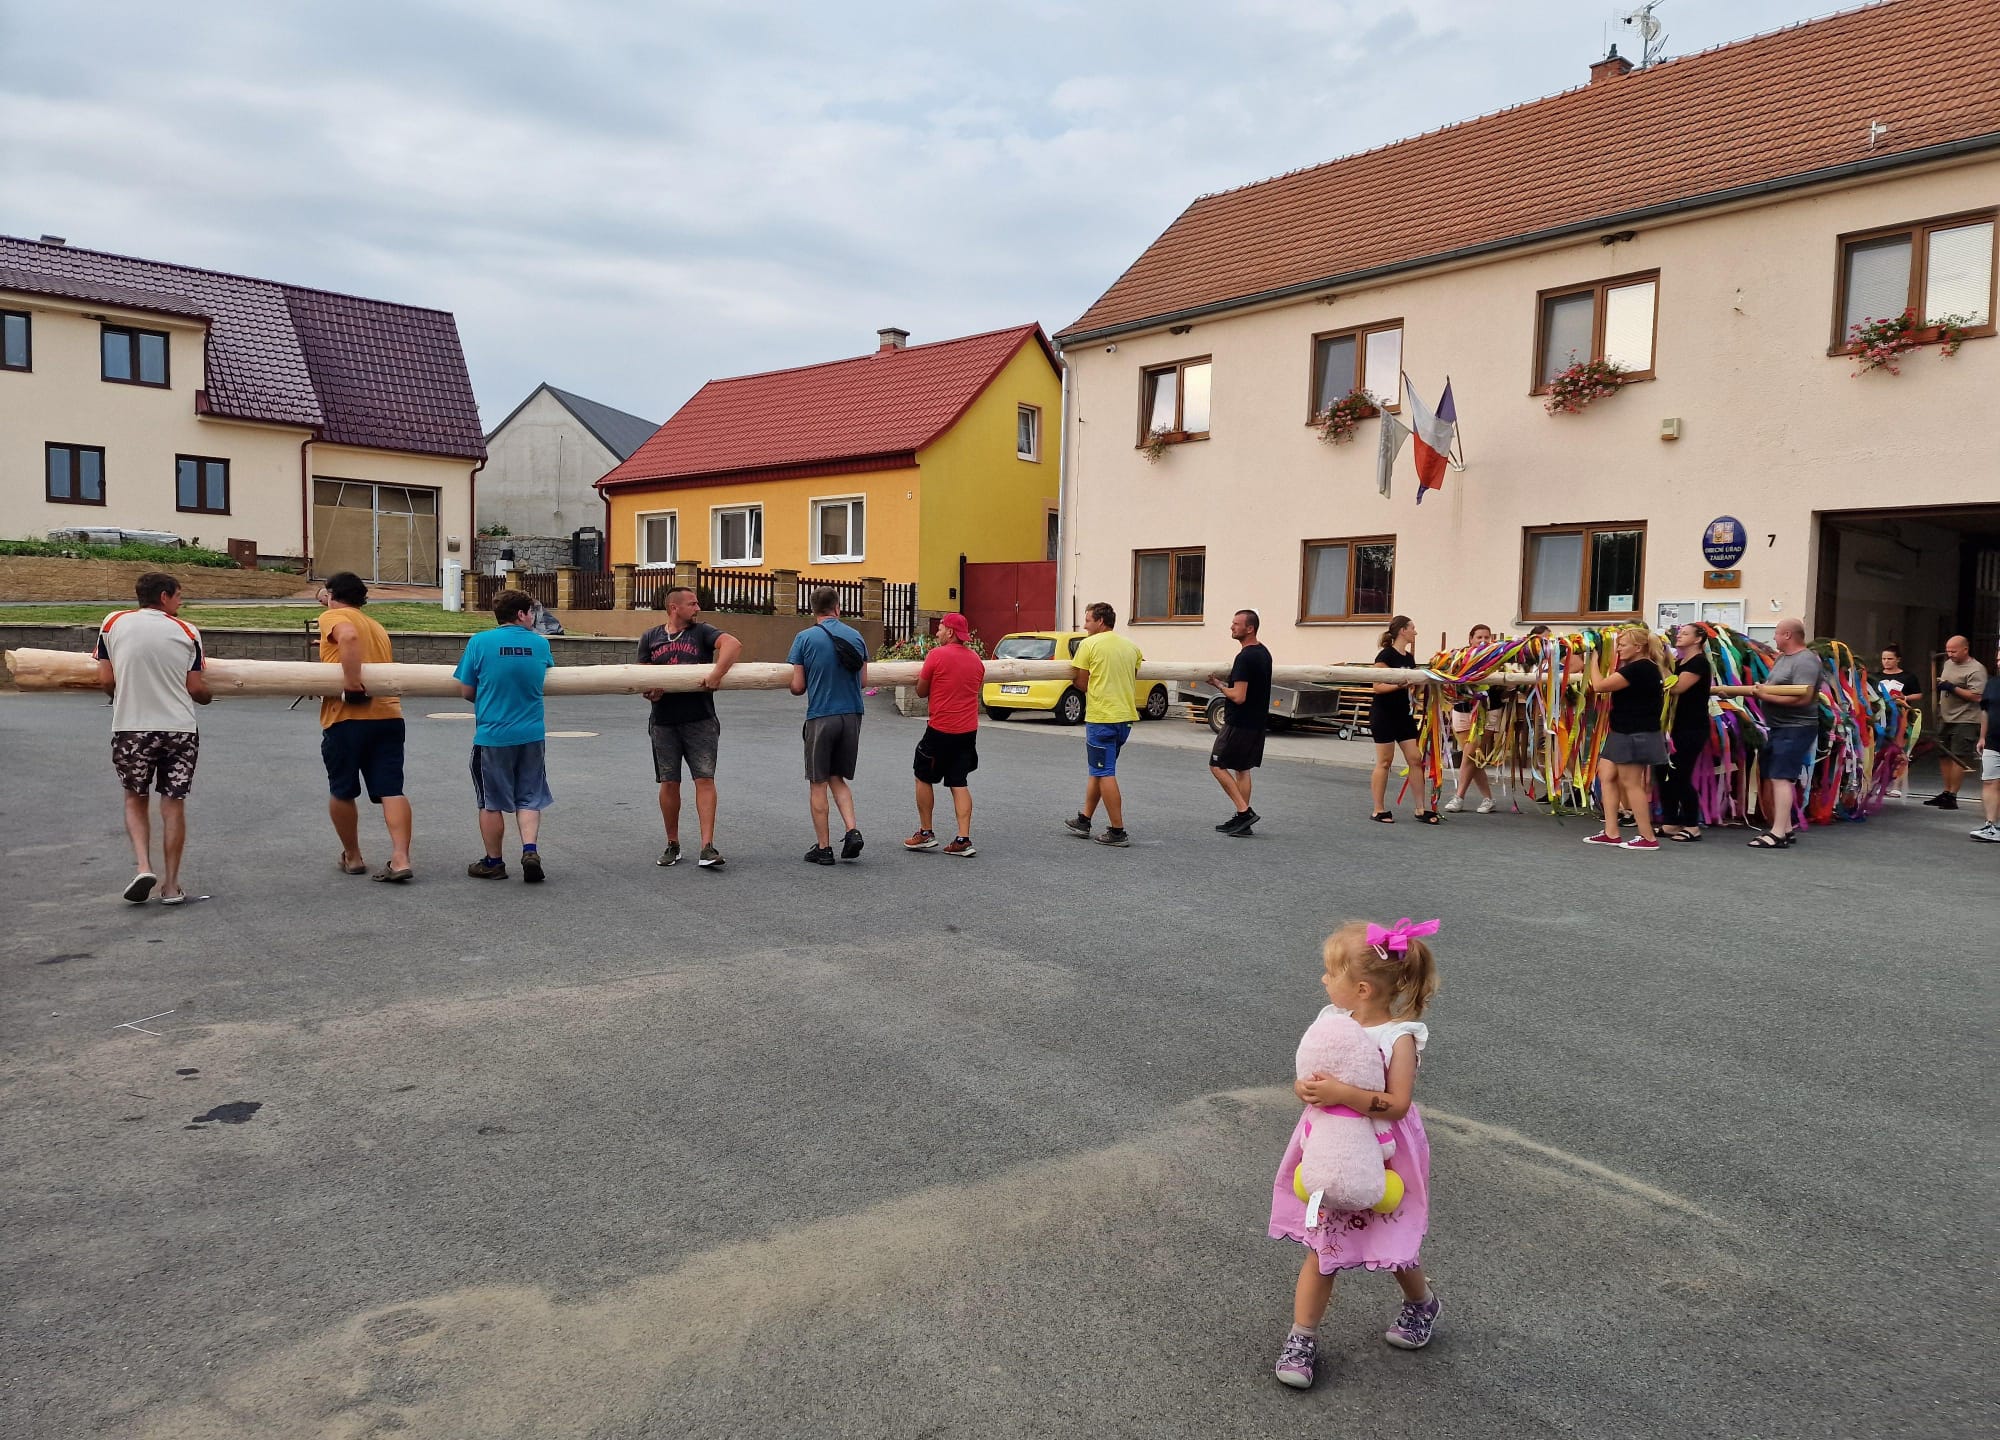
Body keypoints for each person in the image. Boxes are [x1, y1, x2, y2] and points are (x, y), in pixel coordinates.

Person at [1270, 918, 1442, 1390]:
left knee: (1392, 1238)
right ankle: (1302, 1337)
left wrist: (1344, 1094)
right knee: (1322, 1245)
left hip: (1385, 1154)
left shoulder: (1398, 1037)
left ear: (1362, 989)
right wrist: (1306, 1088)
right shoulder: (1332, 1021)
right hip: (1330, 1150)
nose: (1324, 980)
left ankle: (1422, 1303)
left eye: (1331, 974)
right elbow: (1311, 1072)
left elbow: (1397, 1103)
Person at [95, 571, 213, 904]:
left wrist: (121, 694)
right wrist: (209, 697)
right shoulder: (188, 631)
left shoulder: (112, 622)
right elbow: (195, 688)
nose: (180, 602)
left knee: (135, 797)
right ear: (164, 596)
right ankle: (172, 885)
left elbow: (106, 679)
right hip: (179, 729)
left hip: (132, 727)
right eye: (178, 596)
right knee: (173, 803)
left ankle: (144, 867)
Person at [318, 572, 414, 882]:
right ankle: (400, 859)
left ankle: (353, 855)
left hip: (346, 717)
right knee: (391, 789)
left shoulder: (334, 617)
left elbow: (347, 636)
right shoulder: (376, 626)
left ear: (333, 596)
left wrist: (350, 682)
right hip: (387, 715)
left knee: (342, 789)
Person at [454, 589, 555, 882]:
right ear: (521, 614)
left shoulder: (479, 642)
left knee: (490, 801)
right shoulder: (540, 644)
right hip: (532, 733)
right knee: (529, 797)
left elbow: (466, 691)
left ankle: (494, 862)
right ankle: (530, 850)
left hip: (493, 735)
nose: (534, 617)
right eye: (531, 612)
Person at [638, 586, 741, 869]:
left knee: (704, 779)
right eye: (692, 604)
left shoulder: (702, 632)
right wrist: (650, 691)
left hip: (700, 719)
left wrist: (716, 674)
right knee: (669, 782)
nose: (697, 608)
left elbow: (733, 645)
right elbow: (640, 675)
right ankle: (672, 844)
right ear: (675, 608)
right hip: (663, 721)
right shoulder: (650, 637)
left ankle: (707, 846)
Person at [787, 587, 869, 865]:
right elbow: (863, 681)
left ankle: (824, 847)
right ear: (837, 607)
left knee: (818, 782)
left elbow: (798, 686)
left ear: (813, 609)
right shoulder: (856, 636)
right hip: (852, 714)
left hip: (821, 715)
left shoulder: (804, 638)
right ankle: (852, 830)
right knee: (838, 777)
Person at [1062, 601, 1144, 847]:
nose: (1085, 625)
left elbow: (1081, 682)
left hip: (1102, 718)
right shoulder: (1132, 647)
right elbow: (1132, 675)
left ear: (1100, 621)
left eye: (1088, 620)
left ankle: (1118, 831)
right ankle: (1084, 819)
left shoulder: (1088, 645)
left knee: (1105, 772)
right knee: (1099, 769)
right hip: (1125, 718)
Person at [905, 613, 984, 856]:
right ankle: (963, 838)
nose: (937, 633)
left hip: (940, 729)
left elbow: (921, 691)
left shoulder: (936, 655)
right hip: (967, 731)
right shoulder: (976, 661)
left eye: (940, 628)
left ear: (950, 632)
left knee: (922, 775)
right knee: (959, 782)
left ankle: (926, 832)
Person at [1585, 627, 1665, 850]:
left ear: (1638, 647)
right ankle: (1611, 832)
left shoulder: (1640, 668)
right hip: (1621, 731)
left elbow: (1600, 686)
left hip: (1634, 732)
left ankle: (1647, 837)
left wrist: (1593, 661)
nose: (1618, 649)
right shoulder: (1640, 668)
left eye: (1622, 645)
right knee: (1607, 775)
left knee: (1631, 783)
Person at [1746, 617, 1823, 850]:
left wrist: (1764, 695)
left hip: (1796, 727)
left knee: (1782, 777)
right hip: (1779, 727)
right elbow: (1774, 688)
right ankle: (1786, 829)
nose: (1774, 637)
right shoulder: (1782, 659)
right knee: (1776, 775)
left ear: (1788, 635)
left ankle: (1778, 833)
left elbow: (1804, 698)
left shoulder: (1806, 660)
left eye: (1777, 633)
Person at [1205, 609, 1272, 836]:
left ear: (1249, 628)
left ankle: (1245, 812)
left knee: (1216, 765)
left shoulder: (1244, 657)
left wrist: (1218, 685)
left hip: (1239, 723)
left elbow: (1239, 696)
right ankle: (1243, 821)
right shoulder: (1264, 653)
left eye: (1236, 624)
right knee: (1242, 769)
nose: (1232, 627)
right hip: (1256, 722)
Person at [1368, 616, 1436, 824]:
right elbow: (1377, 687)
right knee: (1385, 761)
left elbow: (1411, 687)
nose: (1415, 632)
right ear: (1402, 631)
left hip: (1403, 714)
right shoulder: (1386, 655)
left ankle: (1420, 808)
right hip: (1384, 713)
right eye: (1412, 628)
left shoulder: (1409, 658)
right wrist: (1398, 685)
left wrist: (1420, 685)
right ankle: (1378, 809)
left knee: (1415, 759)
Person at [1657, 624, 1714, 841]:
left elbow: (1676, 687)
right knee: (1663, 774)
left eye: (1685, 633)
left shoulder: (1699, 663)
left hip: (1692, 727)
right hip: (1673, 726)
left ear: (1698, 639)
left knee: (1680, 775)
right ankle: (1670, 821)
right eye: (1679, 633)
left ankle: (1692, 825)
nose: (1679, 636)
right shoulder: (1679, 662)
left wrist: (1660, 662)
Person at [1929, 635, 1990, 812]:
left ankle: (1953, 795)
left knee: (1958, 755)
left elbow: (1977, 696)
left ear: (1965, 649)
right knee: (1943, 754)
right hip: (1945, 717)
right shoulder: (1948, 664)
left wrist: (1952, 688)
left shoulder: (1976, 669)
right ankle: (1946, 791)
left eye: (1954, 651)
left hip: (1966, 718)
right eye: (1948, 651)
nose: (1950, 654)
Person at [1442, 623, 1496, 814]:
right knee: (1472, 756)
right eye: (1479, 637)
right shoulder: (1460, 658)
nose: (1483, 641)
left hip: (1486, 713)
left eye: (1486, 637)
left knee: (1470, 753)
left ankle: (1459, 796)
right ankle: (1488, 798)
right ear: (1470, 639)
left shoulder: (1497, 658)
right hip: (1461, 710)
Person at [1877, 644, 1919, 796]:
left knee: (1900, 750)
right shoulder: (1876, 676)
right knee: (1880, 751)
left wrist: (1904, 697)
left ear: (1898, 660)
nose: (1886, 662)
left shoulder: (1908, 677)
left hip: (1901, 717)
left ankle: (1897, 785)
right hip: (1880, 717)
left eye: (1890, 659)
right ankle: (1879, 783)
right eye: (1884, 659)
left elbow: (1918, 694)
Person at [1971, 639, 2000, 843]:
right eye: (1998, 659)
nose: (1998, 662)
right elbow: (1985, 712)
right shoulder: (1992, 683)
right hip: (1993, 741)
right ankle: (1991, 826)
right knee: (1990, 781)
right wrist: (1982, 737)